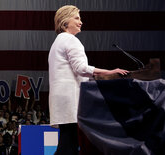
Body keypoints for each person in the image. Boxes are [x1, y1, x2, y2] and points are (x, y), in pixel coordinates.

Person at [48, 5, 129, 155]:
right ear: (65, 22)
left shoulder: (58, 41)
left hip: (62, 99)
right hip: (70, 99)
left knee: (68, 142)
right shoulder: (70, 40)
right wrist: (110, 72)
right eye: (77, 18)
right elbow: (81, 68)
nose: (81, 22)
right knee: (68, 144)